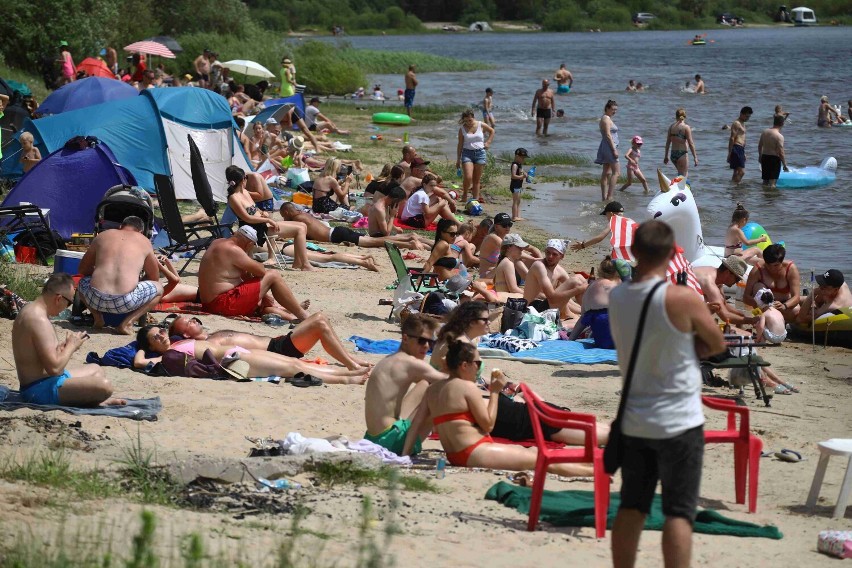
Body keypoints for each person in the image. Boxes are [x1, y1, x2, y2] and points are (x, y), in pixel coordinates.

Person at [609, 220, 725, 568]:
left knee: (633, 505)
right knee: (678, 511)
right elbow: (717, 345)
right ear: (675, 253)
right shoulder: (680, 297)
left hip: (634, 418)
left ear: (634, 253)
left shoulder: (618, 295)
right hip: (679, 420)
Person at [425, 302, 609, 446]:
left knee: (539, 406)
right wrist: (496, 390)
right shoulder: (457, 344)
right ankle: (615, 436)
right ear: (471, 322)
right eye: (485, 320)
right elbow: (451, 380)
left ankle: (610, 432)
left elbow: (461, 378)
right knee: (545, 419)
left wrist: (501, 386)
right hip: (478, 404)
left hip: (481, 398)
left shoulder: (460, 340)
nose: (489, 323)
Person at [402, 341, 593, 475]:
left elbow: (416, 424)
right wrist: (494, 392)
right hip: (476, 451)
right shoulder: (467, 388)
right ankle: (596, 473)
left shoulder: (432, 390)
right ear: (464, 365)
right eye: (477, 363)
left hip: (455, 455)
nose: (479, 367)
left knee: (532, 455)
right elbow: (487, 426)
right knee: (540, 459)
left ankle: (593, 470)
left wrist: (404, 455)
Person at [12, 274, 123, 406]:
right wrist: (71, 346)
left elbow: (40, 356)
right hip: (38, 389)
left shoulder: (33, 311)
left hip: (44, 380)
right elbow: (54, 369)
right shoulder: (38, 320)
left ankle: (90, 398)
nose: (67, 307)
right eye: (69, 302)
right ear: (58, 298)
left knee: (96, 369)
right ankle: (92, 400)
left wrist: (61, 349)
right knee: (105, 386)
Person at [134, 326, 366, 384]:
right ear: (152, 347)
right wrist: (141, 348)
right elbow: (139, 362)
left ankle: (345, 372)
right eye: (156, 337)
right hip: (232, 362)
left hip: (239, 353)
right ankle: (347, 379)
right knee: (291, 369)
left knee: (295, 362)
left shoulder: (180, 342)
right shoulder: (163, 357)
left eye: (162, 331)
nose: (162, 336)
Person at [167, 313, 371, 371]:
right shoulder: (211, 344)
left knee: (321, 319)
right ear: (185, 336)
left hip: (277, 342)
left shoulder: (214, 335)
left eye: (192, 318)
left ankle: (349, 358)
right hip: (278, 351)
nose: (193, 320)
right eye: (188, 323)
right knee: (319, 322)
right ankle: (350, 364)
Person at [363, 315, 447, 455]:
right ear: (405, 338)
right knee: (441, 394)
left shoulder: (390, 359)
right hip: (391, 439)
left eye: (430, 343)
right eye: (422, 341)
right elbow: (451, 381)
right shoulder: (411, 363)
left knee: (425, 383)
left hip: (374, 438)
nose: (426, 346)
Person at [198, 226, 310, 321]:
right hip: (223, 303)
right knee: (273, 275)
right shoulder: (234, 250)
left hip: (210, 304)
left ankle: (288, 314)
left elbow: (245, 276)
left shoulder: (218, 242)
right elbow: (261, 271)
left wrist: (264, 294)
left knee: (264, 307)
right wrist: (249, 253)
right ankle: (302, 315)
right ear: (249, 244)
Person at [77, 216, 163, 335]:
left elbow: (82, 269)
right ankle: (128, 323)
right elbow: (154, 277)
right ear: (141, 231)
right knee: (159, 288)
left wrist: (99, 274)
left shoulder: (102, 235)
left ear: (120, 227)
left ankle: (97, 317)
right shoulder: (144, 241)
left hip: (95, 299)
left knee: (82, 282)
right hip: (126, 302)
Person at [225, 166, 313, 271]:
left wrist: (263, 213)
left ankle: (298, 262)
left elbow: (254, 209)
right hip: (255, 230)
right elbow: (246, 218)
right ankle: (305, 264)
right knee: (300, 229)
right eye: (246, 178)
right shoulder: (233, 198)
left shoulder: (245, 192)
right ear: (242, 179)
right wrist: (268, 220)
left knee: (303, 225)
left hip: (262, 224)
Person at [279, 201, 418, 255]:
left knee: (375, 242)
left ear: (286, 212)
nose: (284, 220)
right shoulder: (303, 214)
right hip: (337, 232)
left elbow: (294, 232)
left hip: (337, 235)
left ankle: (409, 243)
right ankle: (408, 237)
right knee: (373, 240)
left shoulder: (298, 219)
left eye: (283, 216)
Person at [523, 239, 587, 319]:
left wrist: (585, 287)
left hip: (545, 305)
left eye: (554, 254)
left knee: (579, 278)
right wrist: (579, 289)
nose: (550, 257)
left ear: (562, 256)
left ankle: (587, 310)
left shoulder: (559, 270)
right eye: (548, 253)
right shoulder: (539, 266)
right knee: (576, 282)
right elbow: (552, 298)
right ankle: (586, 312)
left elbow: (575, 285)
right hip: (532, 309)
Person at [568, 256, 621, 347]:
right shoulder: (619, 283)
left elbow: (583, 317)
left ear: (599, 271)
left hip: (601, 338)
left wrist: (571, 339)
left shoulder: (591, 286)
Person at [692, 255, 758, 328]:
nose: (736, 283)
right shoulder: (710, 283)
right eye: (737, 279)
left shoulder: (715, 275)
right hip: (682, 308)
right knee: (715, 306)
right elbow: (725, 316)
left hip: (686, 298)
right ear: (727, 273)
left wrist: (741, 315)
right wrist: (751, 320)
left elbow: (724, 304)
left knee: (718, 304)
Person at [743, 243, 801, 323]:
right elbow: (746, 297)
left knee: (796, 310)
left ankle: (781, 321)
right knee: (758, 286)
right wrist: (760, 304)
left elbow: (796, 297)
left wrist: (784, 306)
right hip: (763, 305)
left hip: (783, 303)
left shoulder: (790, 269)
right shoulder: (758, 269)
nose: (772, 268)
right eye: (768, 265)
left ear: (782, 261)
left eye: (776, 265)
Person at [456, 109, 495, 204]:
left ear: (473, 118)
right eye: (466, 121)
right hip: (467, 154)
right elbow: (460, 144)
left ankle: (475, 199)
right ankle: (465, 194)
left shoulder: (480, 125)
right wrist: (458, 159)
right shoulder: (462, 129)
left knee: (476, 180)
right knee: (468, 177)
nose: (468, 123)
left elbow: (492, 131)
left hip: (480, 153)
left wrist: (488, 142)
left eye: (470, 120)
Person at [595, 100, 620, 201]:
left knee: (606, 172)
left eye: (616, 110)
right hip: (609, 147)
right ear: (607, 108)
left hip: (607, 146)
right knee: (616, 172)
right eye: (613, 109)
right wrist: (614, 149)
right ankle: (609, 196)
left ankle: (604, 197)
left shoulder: (607, 118)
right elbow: (608, 135)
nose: (614, 111)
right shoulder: (605, 119)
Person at [663, 108, 698, 178]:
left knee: (680, 174)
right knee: (684, 175)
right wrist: (695, 157)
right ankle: (682, 187)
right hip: (682, 154)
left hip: (673, 154)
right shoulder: (686, 127)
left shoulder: (671, 127)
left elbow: (667, 143)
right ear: (685, 117)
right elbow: (691, 143)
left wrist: (666, 156)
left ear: (676, 116)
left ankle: (678, 186)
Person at [758, 115, 789, 188]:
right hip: (774, 159)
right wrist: (784, 164)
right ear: (782, 124)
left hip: (764, 157)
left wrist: (760, 156)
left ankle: (764, 196)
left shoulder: (764, 132)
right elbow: (781, 152)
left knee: (765, 181)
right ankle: (771, 198)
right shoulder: (779, 136)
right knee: (773, 182)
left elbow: (759, 146)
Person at [727, 106, 753, 184]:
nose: (748, 118)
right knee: (741, 172)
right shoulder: (737, 123)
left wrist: (743, 152)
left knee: (735, 171)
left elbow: (743, 138)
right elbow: (732, 138)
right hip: (736, 147)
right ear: (741, 114)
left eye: (749, 116)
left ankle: (733, 189)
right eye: (747, 116)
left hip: (740, 148)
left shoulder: (743, 123)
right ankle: (735, 187)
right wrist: (730, 153)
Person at [509, 147, 529, 220]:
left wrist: (525, 174)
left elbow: (522, 172)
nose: (523, 160)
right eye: (522, 158)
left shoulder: (519, 165)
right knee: (515, 201)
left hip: (519, 185)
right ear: (517, 156)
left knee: (518, 201)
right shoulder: (515, 165)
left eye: (524, 158)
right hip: (515, 185)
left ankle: (518, 215)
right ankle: (514, 216)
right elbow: (513, 176)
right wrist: (522, 176)